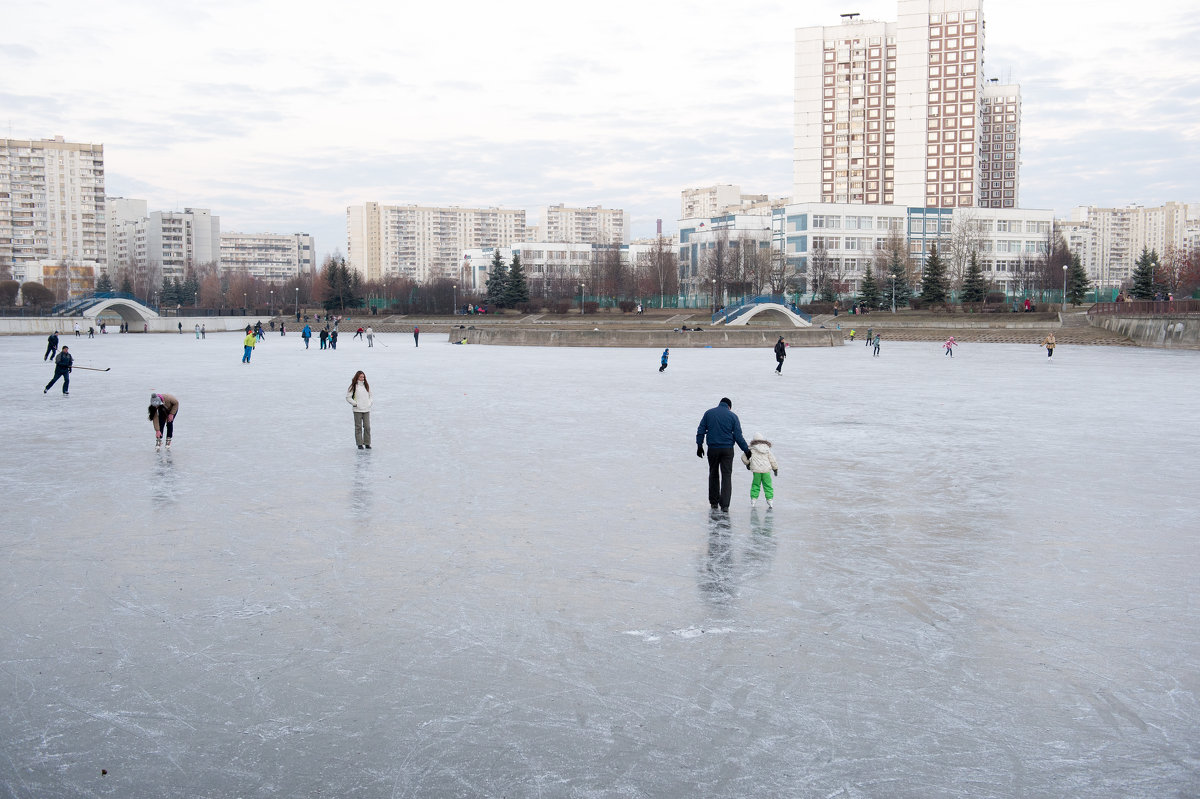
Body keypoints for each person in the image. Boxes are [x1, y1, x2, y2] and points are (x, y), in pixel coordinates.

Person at [695, 397, 751, 513]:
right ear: (729, 406)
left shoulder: (709, 413)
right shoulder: (733, 416)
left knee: (713, 474)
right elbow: (738, 436)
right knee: (726, 476)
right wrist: (746, 450)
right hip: (727, 450)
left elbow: (701, 430)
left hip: (713, 449)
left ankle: (714, 503)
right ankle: (725, 505)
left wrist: (699, 446)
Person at [744, 432, 780, 509]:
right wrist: (775, 468)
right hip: (766, 471)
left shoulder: (751, 449)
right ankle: (770, 500)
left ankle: (753, 500)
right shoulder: (767, 449)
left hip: (756, 471)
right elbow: (772, 459)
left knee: (755, 485)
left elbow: (743, 457)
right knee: (768, 485)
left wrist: (748, 464)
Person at [346, 370, 373, 449]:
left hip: (366, 409)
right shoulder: (353, 386)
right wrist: (355, 404)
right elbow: (348, 397)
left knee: (367, 427)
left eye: (363, 376)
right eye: (361, 377)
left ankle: (367, 443)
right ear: (357, 377)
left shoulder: (366, 386)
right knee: (358, 427)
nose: (362, 378)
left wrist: (369, 403)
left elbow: (371, 396)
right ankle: (359, 444)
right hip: (357, 410)